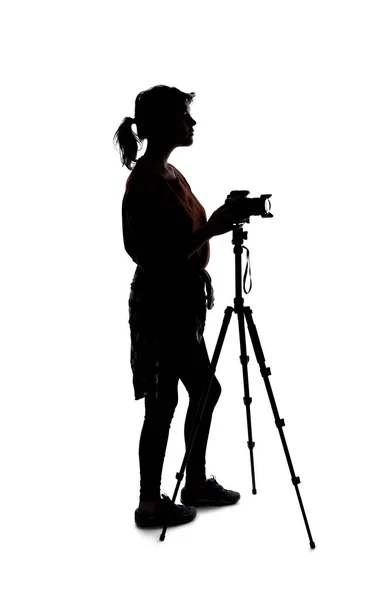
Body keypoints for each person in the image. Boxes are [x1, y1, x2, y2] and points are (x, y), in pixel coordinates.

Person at [113, 85, 241, 528]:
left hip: (182, 302)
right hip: (161, 305)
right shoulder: (145, 181)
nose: (192, 123)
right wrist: (211, 232)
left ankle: (193, 483)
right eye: (185, 116)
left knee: (197, 392)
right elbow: (149, 255)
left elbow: (183, 239)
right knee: (166, 400)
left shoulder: (170, 173)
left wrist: (211, 237)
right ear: (165, 123)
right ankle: (154, 501)